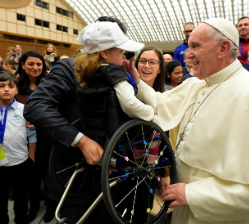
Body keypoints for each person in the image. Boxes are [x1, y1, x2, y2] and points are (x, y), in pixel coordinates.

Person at [127, 18, 249, 224]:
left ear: (223, 48)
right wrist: (135, 79)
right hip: (185, 209)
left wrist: (193, 195)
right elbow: (161, 102)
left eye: (195, 46)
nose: (187, 55)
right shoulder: (197, 84)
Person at [23, 17, 157, 224]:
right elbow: (36, 106)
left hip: (117, 176)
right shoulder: (68, 67)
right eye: (118, 48)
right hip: (79, 177)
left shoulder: (120, 72)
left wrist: (135, 79)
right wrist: (81, 140)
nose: (122, 55)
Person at [14, 50, 56, 222]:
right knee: (31, 173)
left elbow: (55, 110)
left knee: (48, 172)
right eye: (30, 64)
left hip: (47, 137)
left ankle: (51, 207)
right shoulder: (16, 87)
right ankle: (34, 207)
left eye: (39, 64)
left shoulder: (50, 86)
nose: (35, 67)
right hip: (24, 138)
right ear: (22, 65)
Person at [0, 71, 37, 224]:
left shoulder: (24, 109)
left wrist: (31, 158)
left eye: (11, 86)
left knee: (21, 198)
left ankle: (21, 220)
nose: (6, 89)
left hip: (20, 163)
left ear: (16, 90)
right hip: (1, 165)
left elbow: (32, 135)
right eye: (1, 86)